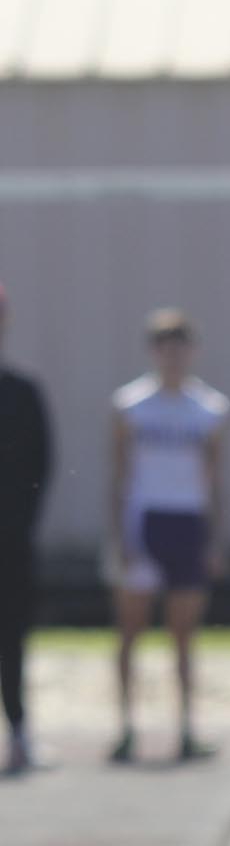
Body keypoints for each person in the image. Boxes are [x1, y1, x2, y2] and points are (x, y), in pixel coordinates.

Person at [107, 308, 228, 764]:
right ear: (153, 351)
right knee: (131, 630)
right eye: (164, 346)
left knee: (183, 635)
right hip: (145, 522)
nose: (173, 355)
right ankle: (126, 726)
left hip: (188, 523)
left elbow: (216, 479)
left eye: (181, 346)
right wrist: (120, 537)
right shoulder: (131, 405)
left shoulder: (209, 409)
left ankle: (186, 727)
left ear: (193, 351)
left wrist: (215, 539)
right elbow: (118, 476)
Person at [0, 282, 52, 776]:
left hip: (11, 541)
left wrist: (21, 525)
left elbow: (43, 464)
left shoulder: (23, 392)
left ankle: (18, 730)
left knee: (12, 638)